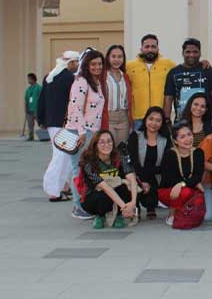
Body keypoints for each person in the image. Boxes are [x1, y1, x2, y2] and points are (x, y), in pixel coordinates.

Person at [55, 50, 107, 220]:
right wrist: (82, 132)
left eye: (100, 64)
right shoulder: (81, 82)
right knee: (79, 169)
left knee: (87, 169)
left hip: (92, 132)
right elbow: (75, 108)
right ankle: (78, 207)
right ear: (86, 65)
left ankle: (85, 204)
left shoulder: (96, 82)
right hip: (80, 132)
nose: (97, 67)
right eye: (93, 64)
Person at [39, 50, 79, 202]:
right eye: (76, 62)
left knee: (65, 156)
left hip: (52, 123)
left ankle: (62, 186)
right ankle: (53, 191)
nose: (78, 65)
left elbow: (42, 100)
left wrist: (42, 120)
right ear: (71, 63)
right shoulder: (70, 78)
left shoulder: (49, 77)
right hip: (64, 123)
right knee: (61, 156)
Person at [78, 130, 138, 229]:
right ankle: (100, 215)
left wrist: (133, 202)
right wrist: (125, 207)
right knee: (102, 195)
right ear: (95, 145)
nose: (106, 145)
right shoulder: (88, 161)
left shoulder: (119, 155)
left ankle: (119, 215)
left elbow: (132, 178)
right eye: (102, 142)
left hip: (116, 189)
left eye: (109, 141)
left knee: (127, 187)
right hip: (95, 194)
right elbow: (104, 187)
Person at [126, 106, 171, 220]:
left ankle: (151, 207)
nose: (154, 123)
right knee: (131, 181)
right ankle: (135, 207)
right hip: (137, 175)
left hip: (155, 176)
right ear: (145, 119)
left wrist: (148, 182)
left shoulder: (165, 140)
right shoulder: (135, 136)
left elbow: (165, 165)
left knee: (151, 197)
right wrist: (142, 181)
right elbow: (134, 162)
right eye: (151, 119)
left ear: (162, 123)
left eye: (158, 120)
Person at [158, 121, 206, 227]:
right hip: (168, 190)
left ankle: (184, 214)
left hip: (186, 188)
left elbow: (197, 176)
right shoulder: (170, 154)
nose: (188, 139)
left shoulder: (198, 153)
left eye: (189, 134)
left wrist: (181, 184)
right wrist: (191, 183)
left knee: (188, 192)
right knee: (185, 192)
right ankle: (172, 214)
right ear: (175, 141)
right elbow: (169, 179)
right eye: (182, 137)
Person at [164, 38, 212, 124]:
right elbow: (168, 98)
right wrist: (167, 120)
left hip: (205, 123)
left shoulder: (207, 70)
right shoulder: (173, 73)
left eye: (195, 52)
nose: (191, 55)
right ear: (183, 53)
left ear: (200, 53)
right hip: (181, 123)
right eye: (188, 52)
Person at [126, 34, 176, 130]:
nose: (150, 50)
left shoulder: (168, 64)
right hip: (138, 118)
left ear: (158, 49)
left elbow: (183, 70)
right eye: (147, 47)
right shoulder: (129, 66)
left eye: (153, 47)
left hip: (160, 117)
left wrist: (201, 63)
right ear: (141, 49)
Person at [101, 45, 133, 145]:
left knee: (121, 148)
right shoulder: (102, 75)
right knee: (109, 147)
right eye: (113, 56)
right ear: (108, 58)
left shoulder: (125, 76)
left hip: (124, 119)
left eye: (120, 57)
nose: (116, 60)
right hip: (108, 118)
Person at [24, 73, 41, 141]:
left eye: (29, 79)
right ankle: (31, 136)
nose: (28, 80)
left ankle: (46, 135)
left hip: (37, 109)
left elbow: (42, 98)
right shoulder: (28, 89)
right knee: (30, 124)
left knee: (40, 123)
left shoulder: (38, 88)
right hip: (29, 110)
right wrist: (26, 108)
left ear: (33, 79)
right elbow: (26, 99)